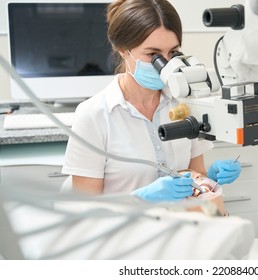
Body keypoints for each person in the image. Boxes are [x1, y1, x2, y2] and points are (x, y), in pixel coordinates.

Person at [61, 0, 241, 202]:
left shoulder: (185, 102)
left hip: (179, 225)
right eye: (153, 55)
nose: (165, 65)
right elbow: (84, 208)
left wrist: (210, 180)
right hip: (125, 231)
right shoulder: (93, 115)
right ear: (122, 49)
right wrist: (141, 198)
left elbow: (195, 176)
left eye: (173, 53)